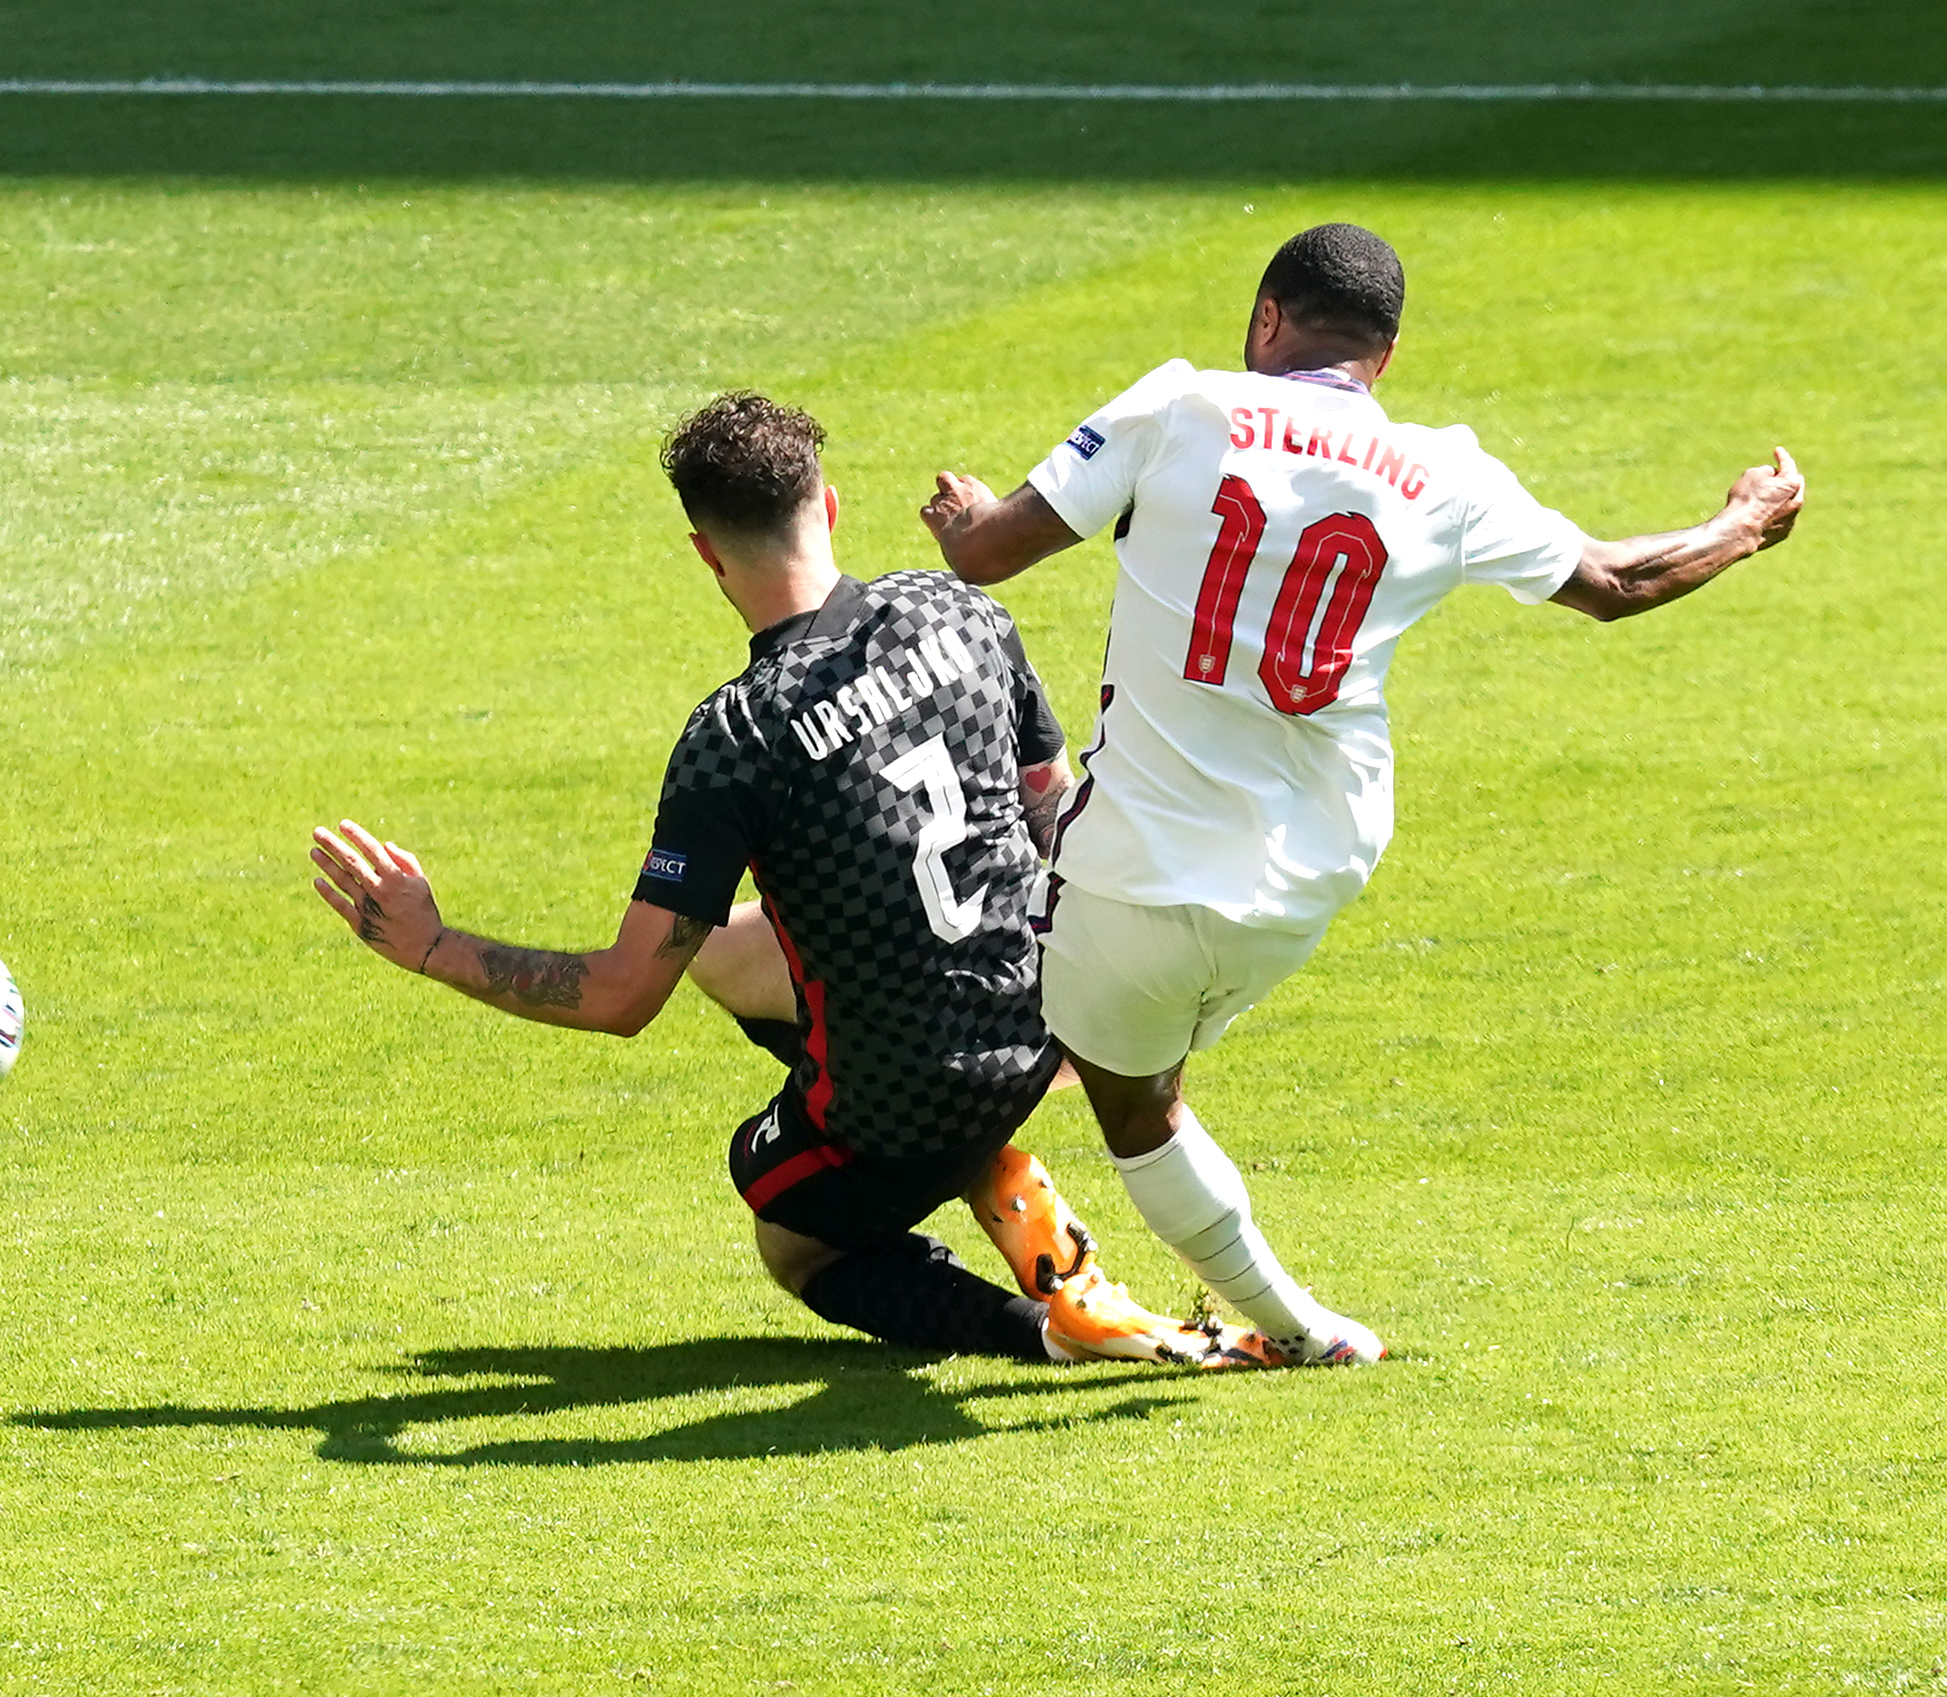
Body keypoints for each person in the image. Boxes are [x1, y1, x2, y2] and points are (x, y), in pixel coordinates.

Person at [917, 223, 1806, 1367]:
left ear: (1265, 318)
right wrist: (1745, 521)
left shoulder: (1182, 405)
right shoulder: (1444, 472)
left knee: (1122, 1090)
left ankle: (1291, 1323)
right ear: (1383, 357)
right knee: (1147, 1035)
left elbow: (987, 554)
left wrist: (961, 517)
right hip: (1307, 879)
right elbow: (1613, 583)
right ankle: (1267, 1306)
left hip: (1138, 870)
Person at [311, 391, 1210, 1367]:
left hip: (920, 1090)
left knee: (789, 1226)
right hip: (1046, 1013)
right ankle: (985, 1162)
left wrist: (432, 945)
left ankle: (1052, 1328)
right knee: (727, 954)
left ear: (704, 552)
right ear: (828, 506)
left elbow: (620, 994)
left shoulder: (736, 734)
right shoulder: (963, 610)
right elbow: (1057, 816)